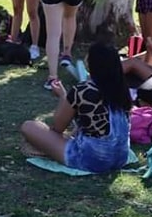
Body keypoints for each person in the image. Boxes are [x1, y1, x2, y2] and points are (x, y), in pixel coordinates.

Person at [20, 42, 131, 173]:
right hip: (121, 157)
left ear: (92, 63)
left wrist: (63, 97)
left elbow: (57, 128)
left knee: (28, 126)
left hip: (92, 159)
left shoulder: (83, 90)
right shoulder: (121, 89)